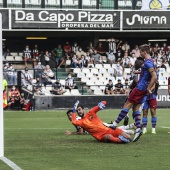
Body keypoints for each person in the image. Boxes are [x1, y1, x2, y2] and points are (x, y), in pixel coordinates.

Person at [109, 44, 157, 142]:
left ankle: (114, 124)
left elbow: (154, 76)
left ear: (145, 52)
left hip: (140, 87)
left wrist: (148, 88)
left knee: (128, 104)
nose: (140, 53)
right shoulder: (151, 61)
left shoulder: (147, 63)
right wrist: (138, 73)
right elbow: (148, 73)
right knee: (136, 108)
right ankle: (138, 129)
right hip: (143, 88)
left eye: (141, 51)